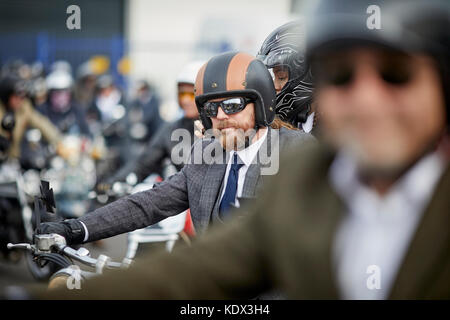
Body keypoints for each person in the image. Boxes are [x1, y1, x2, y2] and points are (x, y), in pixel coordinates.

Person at [36, 0, 449, 299]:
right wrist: (76, 229)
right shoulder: (250, 165)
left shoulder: (300, 158)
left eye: (397, 74)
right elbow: (162, 219)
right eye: (339, 76)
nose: (367, 100)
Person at [37, 51, 312, 245]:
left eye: (232, 105)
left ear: (261, 104)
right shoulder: (208, 155)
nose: (221, 116)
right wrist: (76, 228)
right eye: (212, 108)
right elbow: (149, 204)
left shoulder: (296, 152)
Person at [103, 60, 205, 185]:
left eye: (191, 94)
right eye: (182, 93)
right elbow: (143, 164)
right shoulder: (172, 130)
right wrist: (111, 183)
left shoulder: (219, 131)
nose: (185, 100)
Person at [257, 20, 316, 133]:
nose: (274, 86)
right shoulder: (289, 122)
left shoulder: (334, 132)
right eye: (274, 77)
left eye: (281, 77)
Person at [0, 75, 61, 159]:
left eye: (22, 97)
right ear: (6, 96)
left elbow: (41, 123)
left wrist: (59, 141)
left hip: (13, 159)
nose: (19, 100)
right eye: (16, 97)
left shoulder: (23, 108)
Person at [36, 69, 91, 137]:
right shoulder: (42, 111)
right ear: (50, 94)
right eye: (57, 92)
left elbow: (87, 134)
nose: (61, 97)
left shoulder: (77, 110)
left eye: (64, 92)